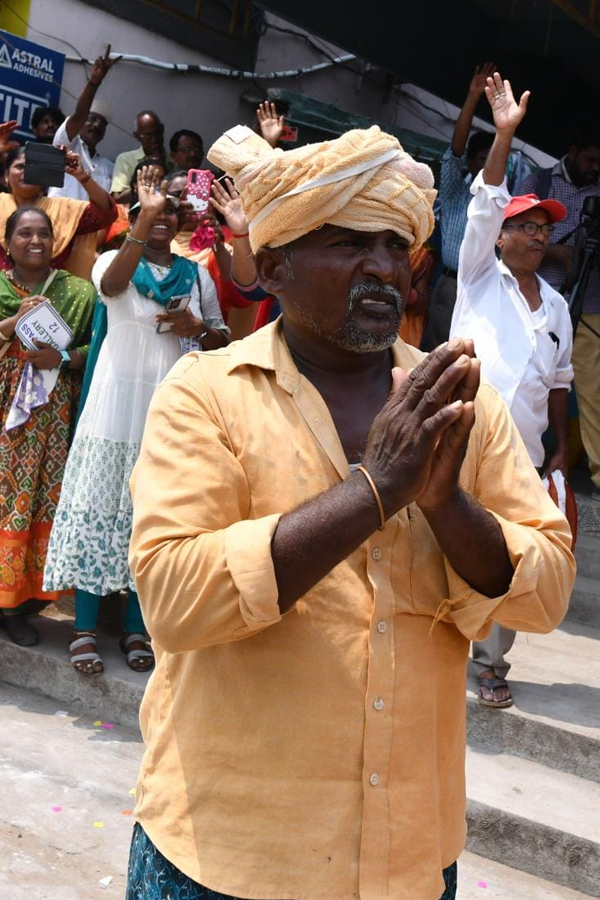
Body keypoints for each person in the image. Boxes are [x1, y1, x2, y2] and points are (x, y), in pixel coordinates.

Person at [125, 124, 575, 900]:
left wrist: (444, 503)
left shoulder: (463, 402)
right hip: (231, 855)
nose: (380, 266)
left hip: (409, 861)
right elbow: (172, 598)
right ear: (272, 265)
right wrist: (374, 491)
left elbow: (548, 587)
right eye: (345, 243)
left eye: (395, 246)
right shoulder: (205, 395)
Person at [43, 167, 229, 675]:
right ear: (140, 213)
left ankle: (135, 628)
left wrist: (197, 327)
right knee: (97, 510)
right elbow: (110, 285)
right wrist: (140, 222)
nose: (164, 215)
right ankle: (83, 630)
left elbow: (221, 339)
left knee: (152, 521)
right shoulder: (113, 258)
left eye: (171, 208)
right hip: (111, 410)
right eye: (155, 206)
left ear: (183, 216)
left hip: (168, 413)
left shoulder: (196, 275)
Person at [451, 71, 574, 708]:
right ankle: (439, 649)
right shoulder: (477, 275)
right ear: (501, 236)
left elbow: (559, 382)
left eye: (545, 230)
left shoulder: (555, 307)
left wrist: (559, 449)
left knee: (503, 558)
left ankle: (491, 665)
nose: (536, 236)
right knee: (443, 545)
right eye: (525, 226)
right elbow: (485, 199)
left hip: (522, 456)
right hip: (461, 438)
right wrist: (502, 136)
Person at [0, 206, 96, 646]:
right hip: (3, 412)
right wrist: (14, 322)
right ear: (7, 242)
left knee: (36, 500)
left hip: (50, 421)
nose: (35, 241)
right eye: (24, 233)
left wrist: (61, 357)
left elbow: (97, 345)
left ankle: (16, 607)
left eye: (44, 233)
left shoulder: (78, 292)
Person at [520, 131, 600, 504]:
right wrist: (553, 251)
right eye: (590, 160)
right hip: (539, 300)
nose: (595, 169)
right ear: (571, 151)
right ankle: (516, 459)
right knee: (527, 380)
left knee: (591, 394)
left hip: (587, 306)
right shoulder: (538, 182)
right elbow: (507, 234)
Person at [424, 63, 495, 349]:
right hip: (452, 286)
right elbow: (456, 148)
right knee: (437, 356)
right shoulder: (456, 190)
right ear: (471, 162)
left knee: (471, 361)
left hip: (485, 290)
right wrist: (473, 96)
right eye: (485, 159)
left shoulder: (499, 201)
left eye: (497, 158)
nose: (491, 165)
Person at [0, 137, 117, 280]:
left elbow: (105, 214)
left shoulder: (65, 209)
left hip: (52, 296)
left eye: (33, 168)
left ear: (45, 176)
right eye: (20, 166)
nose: (26, 172)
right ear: (6, 176)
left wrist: (82, 176)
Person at [167, 170, 256, 337]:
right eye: (178, 195)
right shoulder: (156, 245)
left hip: (210, 343)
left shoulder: (224, 250)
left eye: (197, 194)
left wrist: (218, 245)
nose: (187, 200)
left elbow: (242, 299)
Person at [48, 44, 119, 202]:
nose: (97, 125)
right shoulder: (66, 145)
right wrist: (94, 82)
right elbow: (79, 115)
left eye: (102, 123)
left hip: (91, 226)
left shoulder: (109, 167)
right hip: (59, 219)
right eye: (92, 119)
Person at [111, 111, 166, 204]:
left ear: (163, 129)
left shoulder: (173, 160)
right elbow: (117, 198)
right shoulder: (126, 159)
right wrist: (143, 183)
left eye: (157, 133)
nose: (154, 139)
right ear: (137, 136)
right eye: (148, 136)